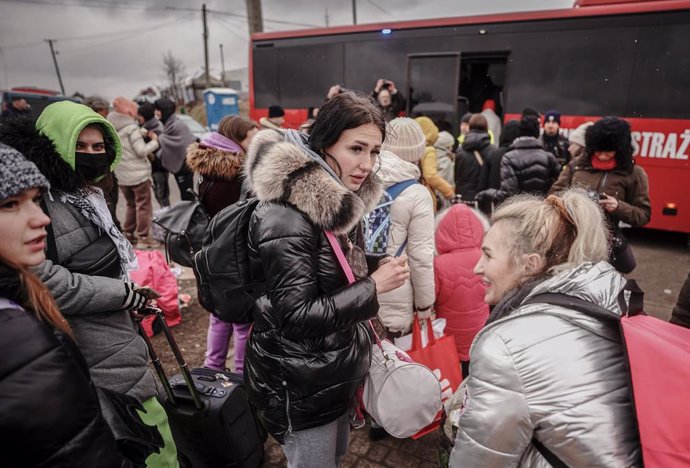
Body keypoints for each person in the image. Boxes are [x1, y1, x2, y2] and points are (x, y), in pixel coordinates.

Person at [0, 101, 179, 467]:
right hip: (97, 354)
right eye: (79, 147)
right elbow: (48, 280)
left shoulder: (92, 196)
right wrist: (122, 294)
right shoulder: (50, 205)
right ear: (53, 145)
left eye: (99, 148)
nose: (91, 156)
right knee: (152, 446)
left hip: (116, 341)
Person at [244, 91, 409, 467]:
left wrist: (369, 262)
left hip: (328, 371)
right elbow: (296, 317)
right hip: (299, 382)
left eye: (375, 151)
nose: (367, 163)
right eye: (356, 148)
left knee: (333, 457)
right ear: (324, 142)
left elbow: (326, 261)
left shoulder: (336, 197)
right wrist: (374, 286)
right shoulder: (286, 215)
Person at [448, 189, 642, 467]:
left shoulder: (506, 348)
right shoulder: (609, 295)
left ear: (530, 265)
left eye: (488, 256)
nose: (477, 268)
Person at [0, 143, 126, 468]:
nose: (41, 218)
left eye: (36, 200)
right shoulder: (17, 336)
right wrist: (122, 293)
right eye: (11, 204)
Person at [186, 115, 258, 373]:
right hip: (233, 256)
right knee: (241, 320)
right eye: (252, 137)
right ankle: (240, 374)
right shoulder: (237, 173)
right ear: (237, 140)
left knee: (218, 315)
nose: (256, 142)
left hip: (209, 251)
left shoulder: (207, 164)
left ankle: (212, 368)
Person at [550, 116, 650, 273]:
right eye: (598, 151)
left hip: (606, 250)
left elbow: (643, 215)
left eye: (608, 152)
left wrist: (619, 207)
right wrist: (573, 202)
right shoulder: (576, 166)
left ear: (620, 150)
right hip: (570, 241)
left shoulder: (634, 174)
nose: (602, 156)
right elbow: (554, 194)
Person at [434, 203, 489, 378]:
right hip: (480, 328)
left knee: (453, 374)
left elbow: (432, 297)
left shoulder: (439, 264)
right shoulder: (486, 257)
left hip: (449, 333)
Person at [108, 97, 160, 247]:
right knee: (143, 206)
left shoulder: (112, 128)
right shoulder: (131, 128)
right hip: (138, 176)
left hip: (123, 176)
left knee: (131, 205)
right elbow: (141, 150)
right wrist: (155, 141)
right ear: (129, 112)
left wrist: (140, 132)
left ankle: (129, 233)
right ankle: (144, 238)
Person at [476, 114, 560, 205]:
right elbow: (561, 184)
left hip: (518, 211)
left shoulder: (509, 157)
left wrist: (487, 193)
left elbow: (507, 193)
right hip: (540, 211)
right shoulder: (548, 157)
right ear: (537, 133)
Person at [155, 97, 197, 201]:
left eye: (158, 110)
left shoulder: (178, 125)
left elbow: (186, 143)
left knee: (187, 196)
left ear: (164, 110)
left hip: (185, 168)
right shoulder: (168, 124)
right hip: (180, 169)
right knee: (185, 196)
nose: (156, 113)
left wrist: (158, 138)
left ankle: (193, 216)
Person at [415, 116, 456, 211]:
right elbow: (430, 175)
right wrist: (449, 191)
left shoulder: (411, 149)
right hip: (424, 198)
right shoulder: (429, 150)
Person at [454, 114, 493, 202]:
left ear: (470, 127)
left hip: (463, 199)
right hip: (484, 199)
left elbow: (456, 177)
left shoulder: (460, 151)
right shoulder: (492, 151)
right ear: (486, 128)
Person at [138, 102, 169, 207]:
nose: (138, 118)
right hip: (153, 166)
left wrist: (147, 138)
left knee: (162, 193)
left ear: (145, 116)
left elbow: (161, 146)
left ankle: (167, 215)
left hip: (159, 166)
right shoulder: (145, 127)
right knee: (158, 192)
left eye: (140, 115)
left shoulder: (157, 128)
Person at [479, 119, 520, 192]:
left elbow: (482, 184)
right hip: (515, 201)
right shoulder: (521, 155)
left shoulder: (492, 155)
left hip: (493, 200)